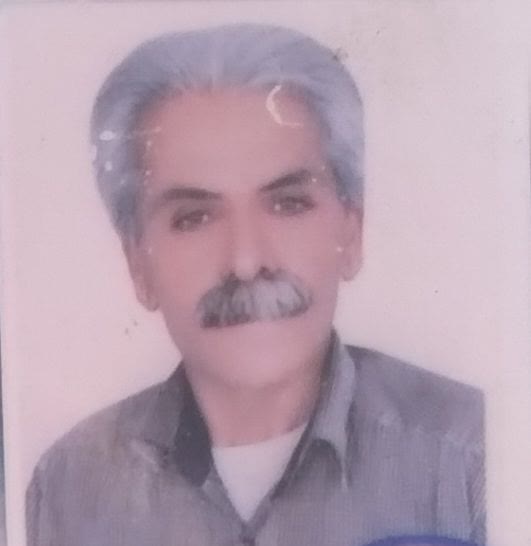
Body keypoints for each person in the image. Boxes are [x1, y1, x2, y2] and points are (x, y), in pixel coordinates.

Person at [26, 24, 485, 546]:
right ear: (138, 265)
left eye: (288, 204)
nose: (246, 262)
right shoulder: (68, 487)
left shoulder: (477, 454)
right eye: (194, 218)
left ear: (351, 232)